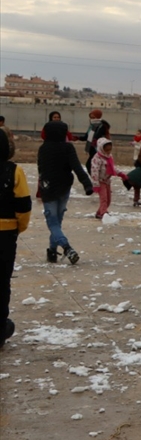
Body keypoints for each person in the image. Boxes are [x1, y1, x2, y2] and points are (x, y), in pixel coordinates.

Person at [37, 119, 94, 264]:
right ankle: (51, 251)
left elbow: (41, 170)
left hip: (48, 189)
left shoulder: (43, 149)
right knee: (57, 221)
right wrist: (86, 184)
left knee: (53, 222)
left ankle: (67, 248)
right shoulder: (68, 148)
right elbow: (77, 168)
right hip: (64, 188)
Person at [0, 130, 32, 348]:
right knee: (2, 282)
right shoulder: (14, 171)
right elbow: (23, 205)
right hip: (5, 234)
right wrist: (17, 227)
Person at [89, 138, 128, 220]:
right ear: (101, 149)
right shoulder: (97, 159)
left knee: (108, 200)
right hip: (100, 181)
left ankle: (99, 212)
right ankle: (103, 213)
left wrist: (120, 174)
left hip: (107, 181)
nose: (108, 152)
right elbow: (94, 172)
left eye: (110, 150)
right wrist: (96, 184)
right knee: (104, 199)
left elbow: (112, 168)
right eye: (106, 150)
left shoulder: (109, 157)